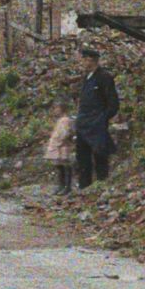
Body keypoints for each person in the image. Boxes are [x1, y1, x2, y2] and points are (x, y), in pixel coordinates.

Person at [74, 45, 119, 189]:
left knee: (100, 154)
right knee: (82, 157)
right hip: (83, 123)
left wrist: (102, 118)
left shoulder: (104, 77)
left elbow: (113, 104)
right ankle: (84, 187)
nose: (81, 63)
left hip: (97, 124)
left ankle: (101, 186)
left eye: (83, 60)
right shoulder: (86, 78)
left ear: (90, 60)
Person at [44, 113, 77, 194]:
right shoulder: (60, 120)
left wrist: (59, 141)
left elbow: (65, 133)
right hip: (58, 146)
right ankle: (61, 185)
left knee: (65, 165)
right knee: (59, 166)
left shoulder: (66, 120)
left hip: (63, 145)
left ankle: (67, 187)